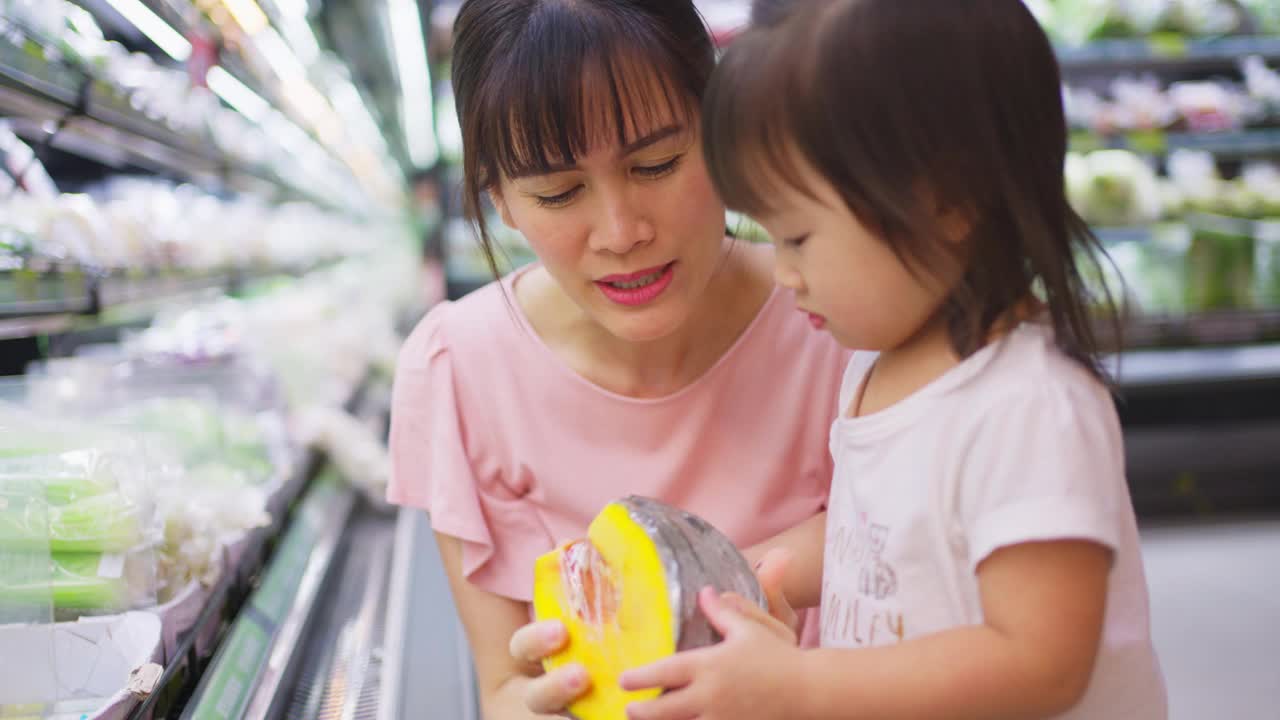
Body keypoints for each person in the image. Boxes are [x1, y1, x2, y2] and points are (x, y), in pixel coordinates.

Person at [618, 1, 1168, 718]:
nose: (783, 273)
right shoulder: (881, 365)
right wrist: (727, 584)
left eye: (799, 238)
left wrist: (800, 686)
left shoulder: (1028, 408)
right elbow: (871, 532)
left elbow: (1040, 660)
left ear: (948, 201)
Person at [386, 1, 849, 717]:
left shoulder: (838, 321)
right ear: (500, 198)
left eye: (657, 163)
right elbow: (505, 691)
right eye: (558, 191)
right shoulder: (460, 369)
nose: (622, 231)